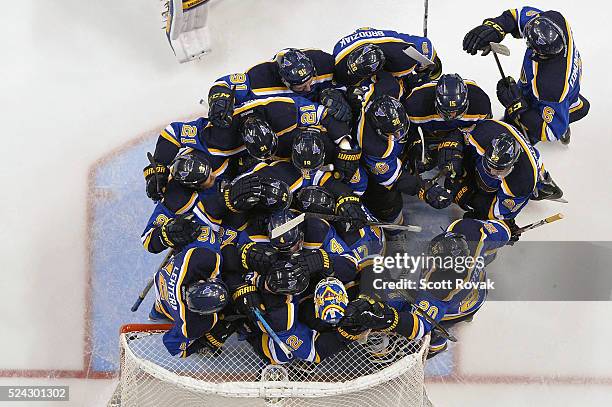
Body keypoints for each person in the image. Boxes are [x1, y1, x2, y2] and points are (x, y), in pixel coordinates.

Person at [463, 6, 589, 145]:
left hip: (550, 101)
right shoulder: (555, 21)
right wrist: (496, 27)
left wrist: (517, 106)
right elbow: (517, 16)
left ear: (541, 53)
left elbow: (551, 132)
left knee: (512, 137)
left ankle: (558, 117)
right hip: (558, 94)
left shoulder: (551, 86)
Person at [332, 27, 442, 88]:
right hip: (372, 44)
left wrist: (426, 63)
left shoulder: (401, 60)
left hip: (393, 51)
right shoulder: (339, 55)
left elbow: (424, 43)